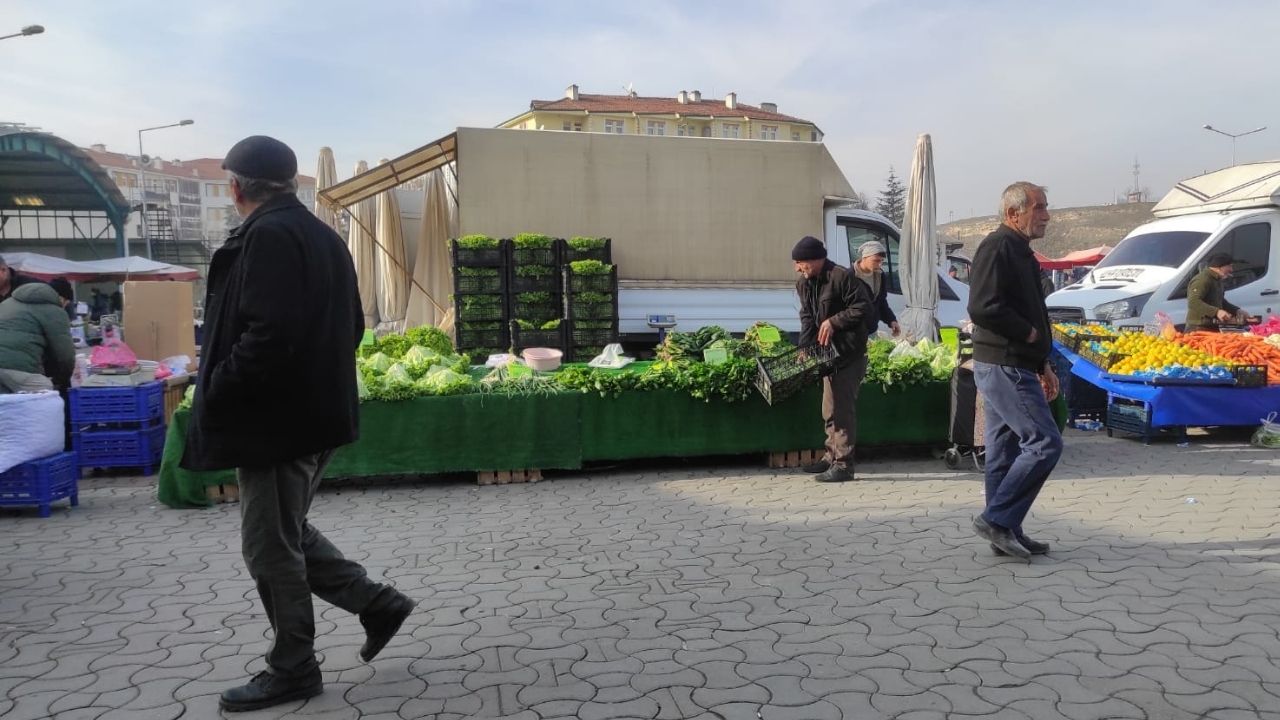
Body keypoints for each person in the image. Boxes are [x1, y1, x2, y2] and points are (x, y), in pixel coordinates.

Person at [180, 135, 415, 712]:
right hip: (312, 413)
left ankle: (294, 668)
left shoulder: (268, 236)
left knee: (268, 546)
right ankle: (377, 603)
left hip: (275, 422)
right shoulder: (323, 236)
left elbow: (268, 335)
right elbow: (353, 327)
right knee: (286, 530)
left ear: (236, 188)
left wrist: (218, 385)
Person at [966, 182, 1062, 561]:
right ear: (1013, 213)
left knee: (1003, 453)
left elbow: (1030, 306)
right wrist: (1028, 334)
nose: (1046, 216)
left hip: (1016, 362)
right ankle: (996, 520)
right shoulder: (998, 247)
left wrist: (1043, 362)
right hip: (1004, 363)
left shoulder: (1021, 251)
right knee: (1044, 443)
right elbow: (983, 306)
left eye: (1046, 207)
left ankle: (1006, 531)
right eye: (1038, 208)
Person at [792, 235, 874, 483]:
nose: (797, 268)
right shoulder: (804, 284)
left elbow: (862, 308)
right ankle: (831, 456)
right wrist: (804, 346)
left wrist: (833, 322)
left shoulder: (841, 277)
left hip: (849, 353)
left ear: (815, 260)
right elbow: (807, 316)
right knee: (829, 409)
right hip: (827, 355)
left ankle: (844, 465)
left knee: (842, 411)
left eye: (800, 263)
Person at [0, 277, 76, 393]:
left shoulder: (8, 302)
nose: (65, 307)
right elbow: (65, 356)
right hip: (15, 366)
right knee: (46, 392)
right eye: (66, 303)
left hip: (8, 369)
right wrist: (62, 380)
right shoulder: (54, 311)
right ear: (61, 298)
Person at [851, 240, 902, 337]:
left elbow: (881, 301)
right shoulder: (849, 276)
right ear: (864, 257)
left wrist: (891, 320)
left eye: (882, 261)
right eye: (876, 261)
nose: (879, 265)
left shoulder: (880, 275)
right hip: (852, 333)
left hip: (871, 331)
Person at [1186, 253, 1243, 331]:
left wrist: (1237, 311)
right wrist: (1216, 312)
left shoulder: (1217, 279)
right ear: (1219, 267)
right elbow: (1193, 302)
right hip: (1198, 327)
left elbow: (1220, 301)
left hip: (1211, 325)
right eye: (1229, 266)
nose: (1231, 270)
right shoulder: (1202, 280)